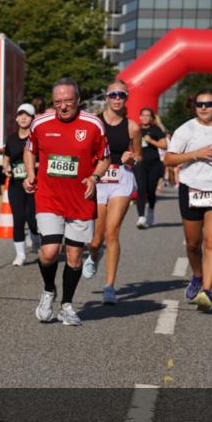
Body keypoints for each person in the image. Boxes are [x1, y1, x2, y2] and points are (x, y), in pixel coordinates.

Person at [24, 78, 110, 326]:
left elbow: (105, 157)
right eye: (58, 102)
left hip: (80, 200)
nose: (62, 106)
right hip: (49, 198)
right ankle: (48, 290)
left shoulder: (94, 124)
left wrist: (94, 177)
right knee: (49, 252)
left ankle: (67, 305)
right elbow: (29, 150)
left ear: (78, 100)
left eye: (68, 101)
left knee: (74, 257)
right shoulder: (40, 123)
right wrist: (30, 174)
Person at [163, 89, 212, 312]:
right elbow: (168, 159)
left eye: (208, 104)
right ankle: (198, 276)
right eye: (200, 104)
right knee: (192, 244)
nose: (204, 108)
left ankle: (206, 292)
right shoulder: (186, 129)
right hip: (192, 188)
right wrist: (194, 154)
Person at [81, 80, 142, 305]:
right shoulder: (93, 122)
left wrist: (131, 159)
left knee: (112, 232)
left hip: (121, 179)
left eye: (121, 95)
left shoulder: (132, 127)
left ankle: (109, 287)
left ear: (126, 98)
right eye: (113, 95)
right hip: (98, 179)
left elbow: (139, 156)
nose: (117, 99)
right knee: (95, 240)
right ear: (106, 97)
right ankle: (94, 254)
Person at [3, 103, 39, 266]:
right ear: (16, 118)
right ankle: (20, 255)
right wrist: (6, 167)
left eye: (27, 115)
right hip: (16, 185)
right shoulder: (11, 139)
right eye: (20, 115)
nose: (23, 118)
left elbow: (45, 160)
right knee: (18, 219)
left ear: (33, 118)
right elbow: (6, 158)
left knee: (32, 220)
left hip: (33, 185)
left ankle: (35, 237)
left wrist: (32, 166)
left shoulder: (37, 138)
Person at [134, 107, 168, 228]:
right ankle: (141, 218)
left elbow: (164, 145)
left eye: (148, 115)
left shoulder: (155, 129)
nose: (145, 117)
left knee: (151, 191)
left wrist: (151, 141)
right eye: (143, 115)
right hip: (140, 163)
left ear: (151, 118)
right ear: (140, 117)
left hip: (154, 163)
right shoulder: (136, 129)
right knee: (141, 190)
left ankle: (151, 211)